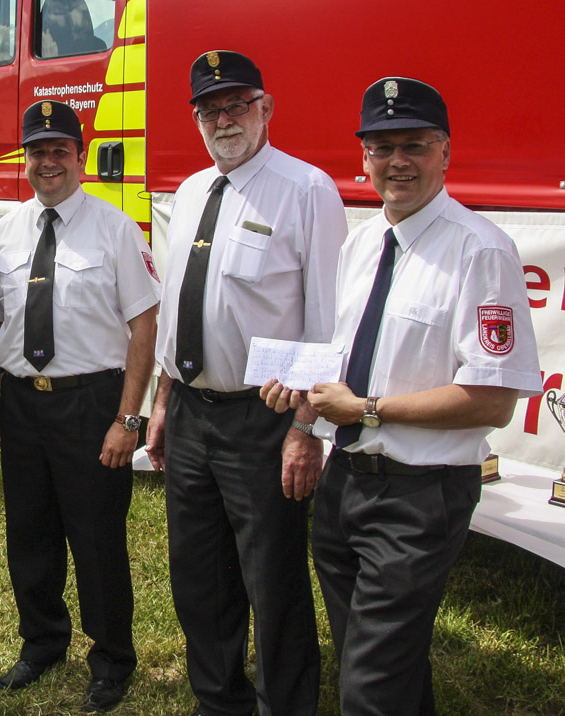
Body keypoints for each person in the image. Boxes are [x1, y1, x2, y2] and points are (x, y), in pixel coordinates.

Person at [260, 77, 542, 716]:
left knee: (369, 686)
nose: (398, 162)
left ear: (446, 151)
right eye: (382, 147)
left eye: (414, 145)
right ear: (363, 157)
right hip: (345, 485)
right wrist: (301, 391)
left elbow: (492, 400)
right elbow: (344, 352)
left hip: (420, 495)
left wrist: (365, 411)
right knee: (381, 660)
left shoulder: (481, 250)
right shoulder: (360, 243)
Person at [145, 51, 347, 716]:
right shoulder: (194, 189)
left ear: (266, 108)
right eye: (209, 109)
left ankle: (286, 704)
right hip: (193, 416)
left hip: (264, 419)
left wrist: (305, 430)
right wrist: (164, 400)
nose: (223, 119)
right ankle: (218, 701)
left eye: (236, 105)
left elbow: (325, 320)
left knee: (273, 581)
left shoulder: (306, 189)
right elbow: (180, 306)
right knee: (198, 575)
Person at [0, 100, 159, 712]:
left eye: (60, 150)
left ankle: (111, 659)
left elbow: (144, 326)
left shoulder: (116, 229)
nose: (47, 161)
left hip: (91, 404)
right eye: (37, 151)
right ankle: (42, 642)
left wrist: (127, 419)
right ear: (24, 160)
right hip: (23, 404)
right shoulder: (4, 232)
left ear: (80, 157)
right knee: (28, 533)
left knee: (96, 538)